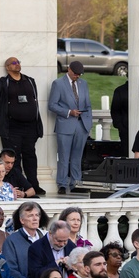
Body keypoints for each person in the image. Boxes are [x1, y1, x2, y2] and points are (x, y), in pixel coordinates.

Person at [0, 57, 45, 193]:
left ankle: (33, 185)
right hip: (12, 128)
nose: (17, 64)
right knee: (14, 159)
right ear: (7, 67)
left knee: (30, 156)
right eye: (13, 63)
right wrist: (2, 115)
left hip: (30, 127)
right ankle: (18, 186)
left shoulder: (30, 81)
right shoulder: (2, 83)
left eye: (18, 62)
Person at [47, 61, 91, 194]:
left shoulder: (83, 84)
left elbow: (88, 104)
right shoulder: (58, 84)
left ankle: (76, 183)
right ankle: (62, 183)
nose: (77, 76)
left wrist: (88, 123)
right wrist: (69, 112)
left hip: (81, 124)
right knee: (64, 156)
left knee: (77, 156)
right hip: (65, 124)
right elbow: (52, 105)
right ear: (69, 70)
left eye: (79, 74)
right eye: (75, 74)